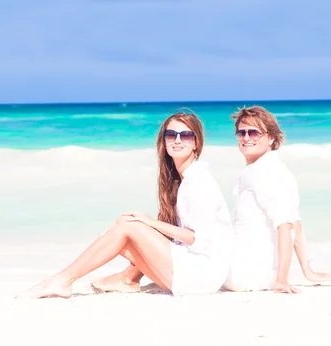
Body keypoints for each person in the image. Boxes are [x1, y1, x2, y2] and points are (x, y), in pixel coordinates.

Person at [18, 112, 234, 298]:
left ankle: (64, 280)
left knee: (129, 226)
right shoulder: (182, 180)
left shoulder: (198, 181)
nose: (177, 140)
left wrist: (150, 223)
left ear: (196, 143)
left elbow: (195, 238)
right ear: (164, 141)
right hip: (191, 272)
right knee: (124, 228)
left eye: (185, 135)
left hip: (200, 276)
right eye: (171, 135)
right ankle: (125, 279)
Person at [223, 106, 331, 294]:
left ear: (271, 138)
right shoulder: (278, 170)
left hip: (243, 274)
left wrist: (282, 280)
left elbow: (285, 225)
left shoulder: (261, 172)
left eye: (254, 132)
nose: (246, 138)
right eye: (241, 132)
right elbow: (296, 224)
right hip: (256, 273)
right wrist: (307, 271)